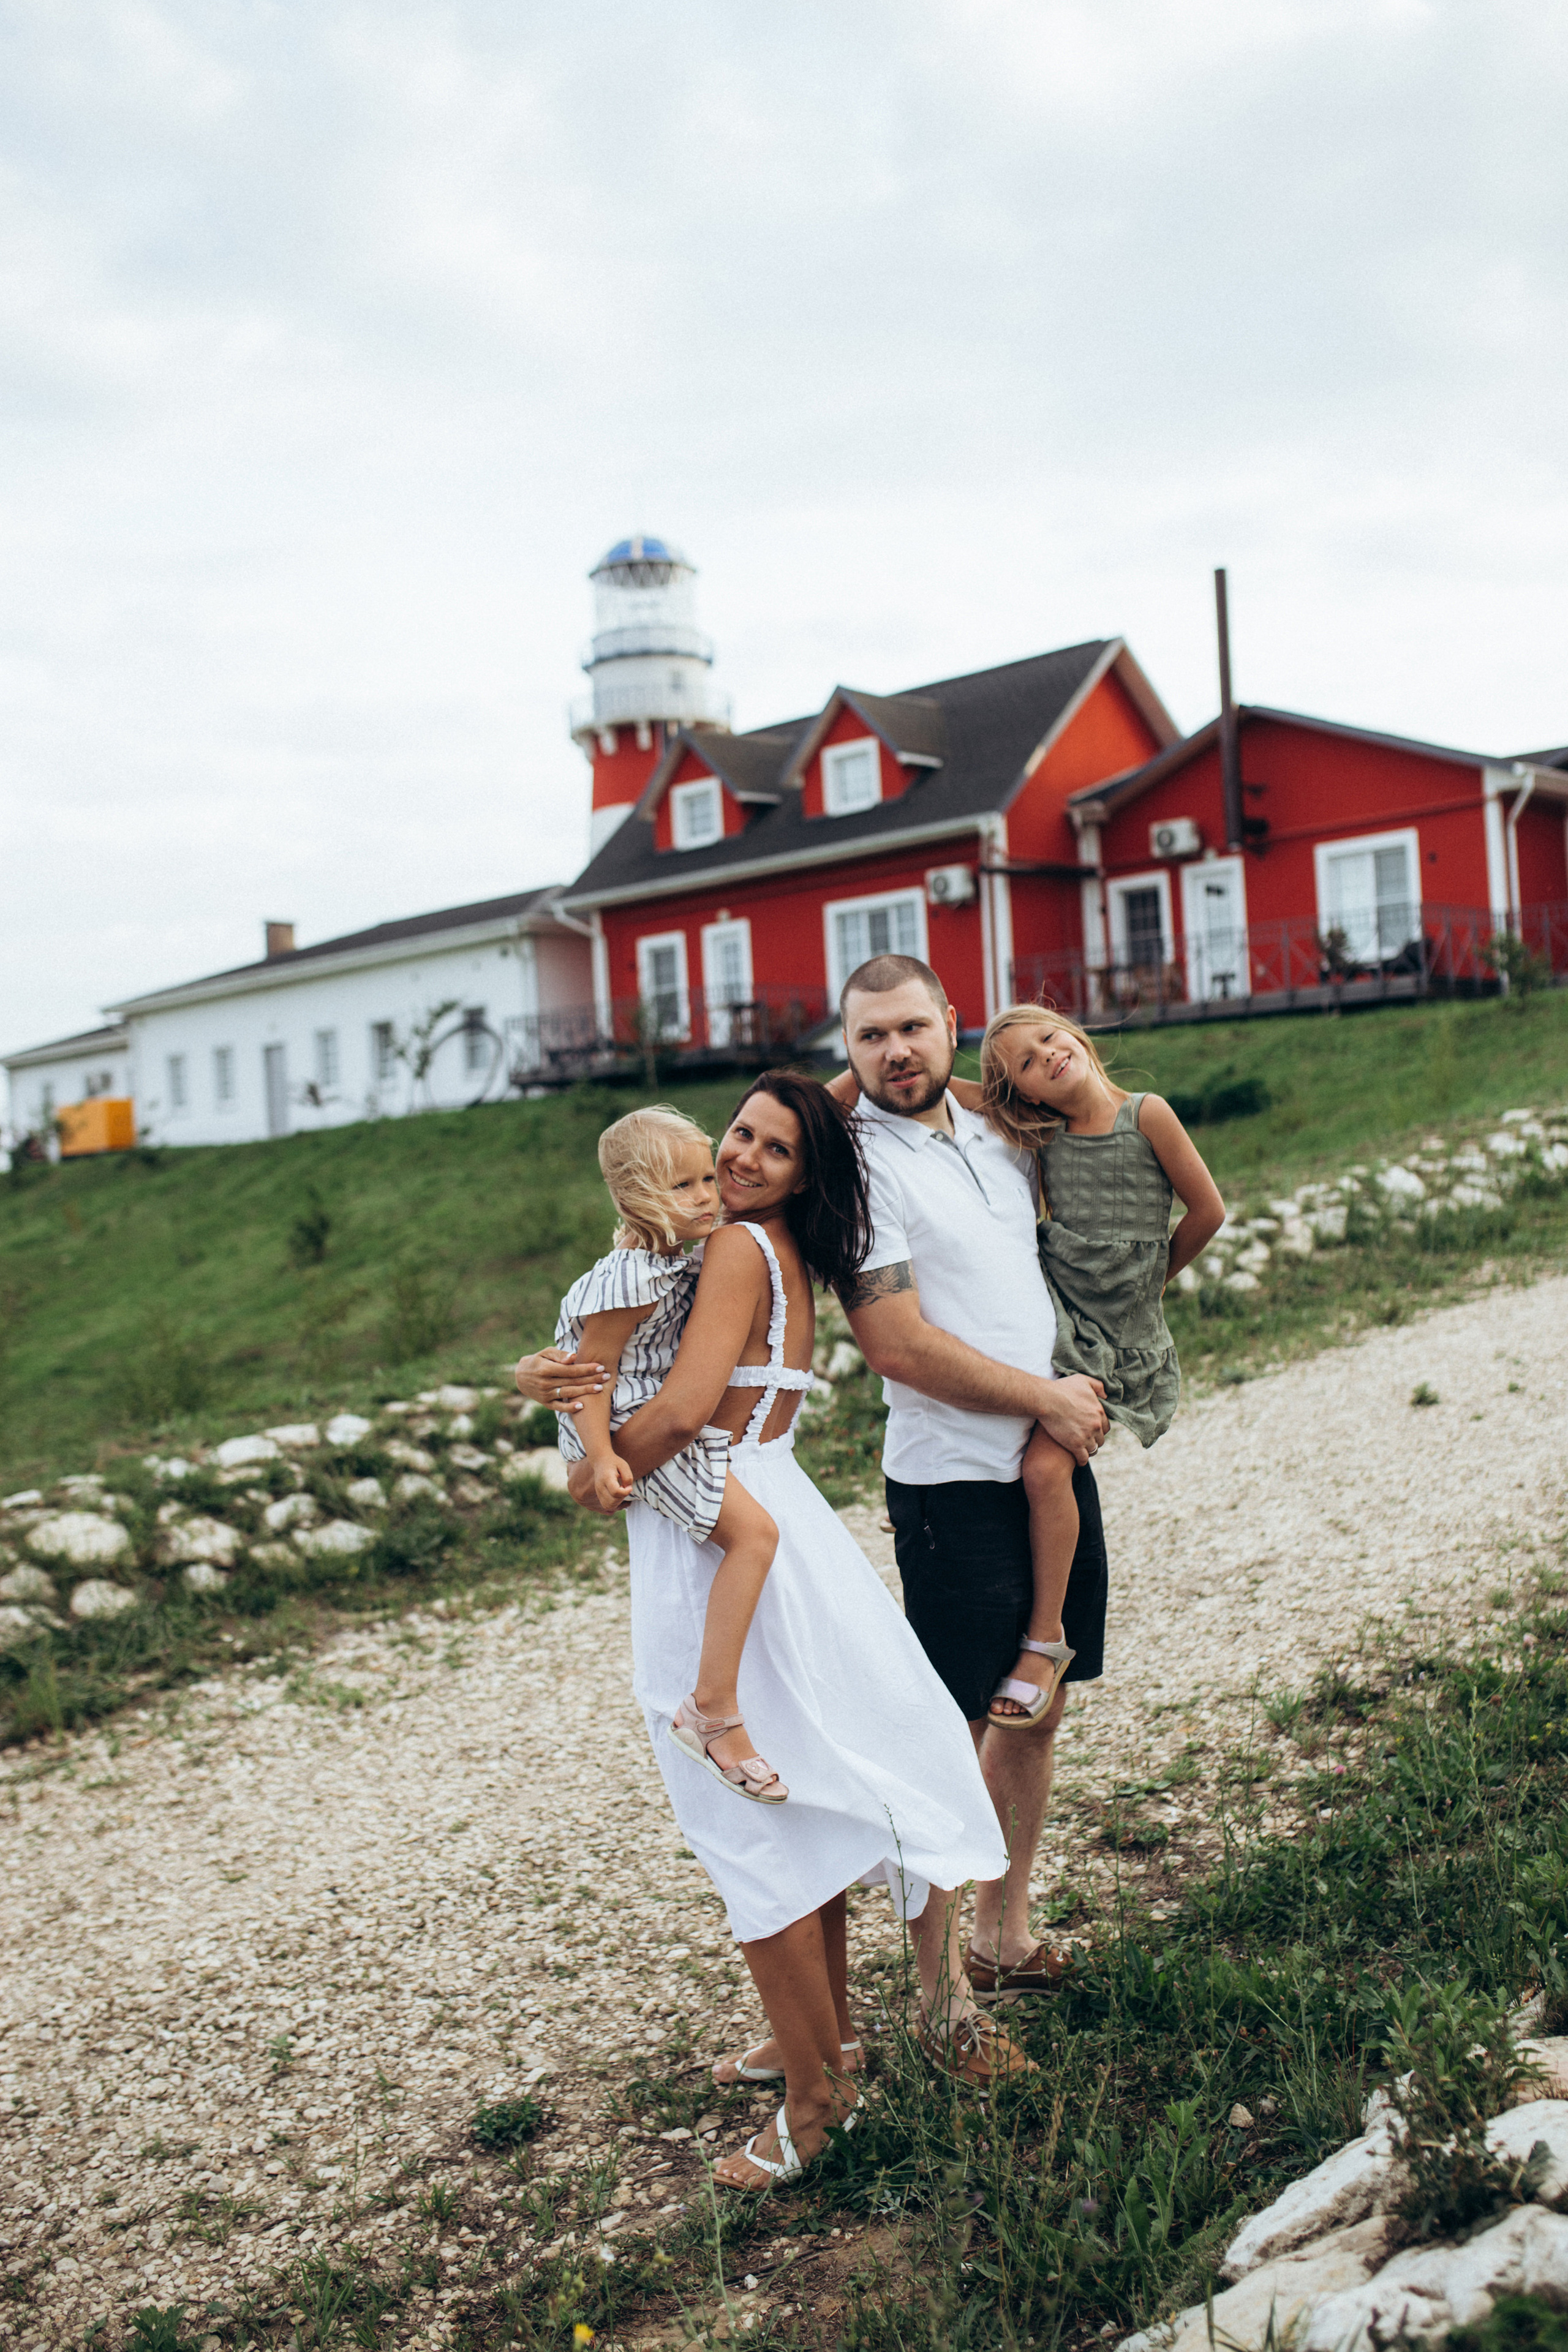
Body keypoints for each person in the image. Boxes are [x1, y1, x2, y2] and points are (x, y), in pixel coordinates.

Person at [514, 1072, 1015, 2192]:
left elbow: (684, 1409)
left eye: (771, 1149)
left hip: (713, 1524)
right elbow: (613, 1331)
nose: (740, 1157)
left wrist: (594, 1473)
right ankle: (824, 2042)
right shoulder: (776, 1246)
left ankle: (818, 2104)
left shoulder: (736, 1249)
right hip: (779, 1505)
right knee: (792, 1795)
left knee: (742, 1823)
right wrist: (548, 1373)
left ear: (803, 1173)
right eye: (736, 1133)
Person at [828, 954, 1110, 1997]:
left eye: (912, 1027)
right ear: (846, 1053)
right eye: (870, 1037)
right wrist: (1046, 1398)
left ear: (953, 1021)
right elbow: (895, 1344)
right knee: (949, 1730)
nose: (896, 1052)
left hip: (1050, 1457)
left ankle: (1003, 1933)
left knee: (1040, 1703)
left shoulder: (1000, 1124)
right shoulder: (854, 1166)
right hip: (951, 1481)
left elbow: (1097, 1109)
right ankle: (940, 1987)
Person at [967, 1005, 1224, 1725]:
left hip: (1114, 1332)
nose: (1047, 1055)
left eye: (1049, 1037)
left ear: (1075, 1037)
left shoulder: (1147, 1115)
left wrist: (1150, 1286)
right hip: (1055, 1306)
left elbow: (1207, 1211)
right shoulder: (1041, 1136)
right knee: (992, 1410)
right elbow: (963, 1096)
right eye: (1026, 1062)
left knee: (1044, 1468)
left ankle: (1044, 1637)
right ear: (1022, 1094)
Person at [553, 1104, 789, 1801]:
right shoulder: (628, 1278)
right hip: (623, 1421)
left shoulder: (677, 1255)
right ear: (636, 1198)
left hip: (635, 1410)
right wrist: (602, 1457)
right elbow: (591, 1378)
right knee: (755, 1536)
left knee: (753, 1538)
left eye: (705, 1179)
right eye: (682, 1187)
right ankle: (711, 1711)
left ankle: (717, 1702)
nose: (707, 1196)